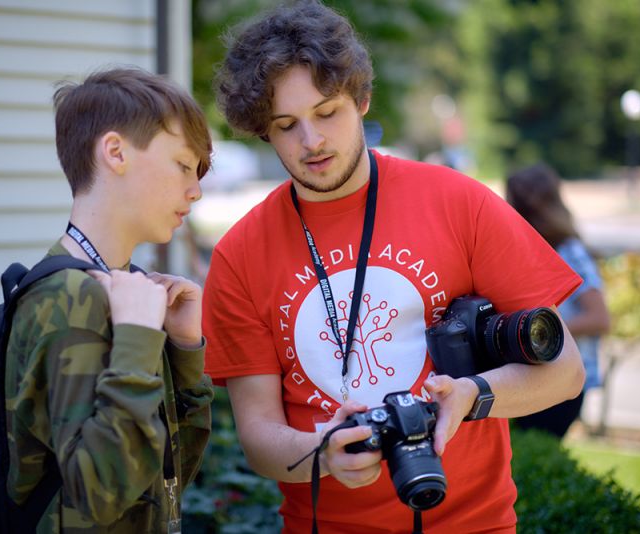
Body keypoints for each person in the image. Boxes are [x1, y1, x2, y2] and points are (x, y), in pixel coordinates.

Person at [201, 2, 585, 533]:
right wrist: (322, 453)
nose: (311, 141)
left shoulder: (459, 203)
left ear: (362, 100)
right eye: (286, 125)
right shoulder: (239, 255)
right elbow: (259, 436)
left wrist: (474, 396)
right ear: (262, 131)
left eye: (327, 112)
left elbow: (566, 371)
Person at [4, 66, 213, 533]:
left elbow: (167, 478)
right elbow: (97, 498)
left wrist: (181, 350)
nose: (195, 190)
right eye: (183, 165)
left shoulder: (128, 289)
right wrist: (137, 343)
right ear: (116, 152)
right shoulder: (68, 295)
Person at [507, 163, 611, 438]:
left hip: (562, 380)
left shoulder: (569, 251)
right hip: (536, 376)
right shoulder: (531, 249)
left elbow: (599, 318)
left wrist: (540, 330)